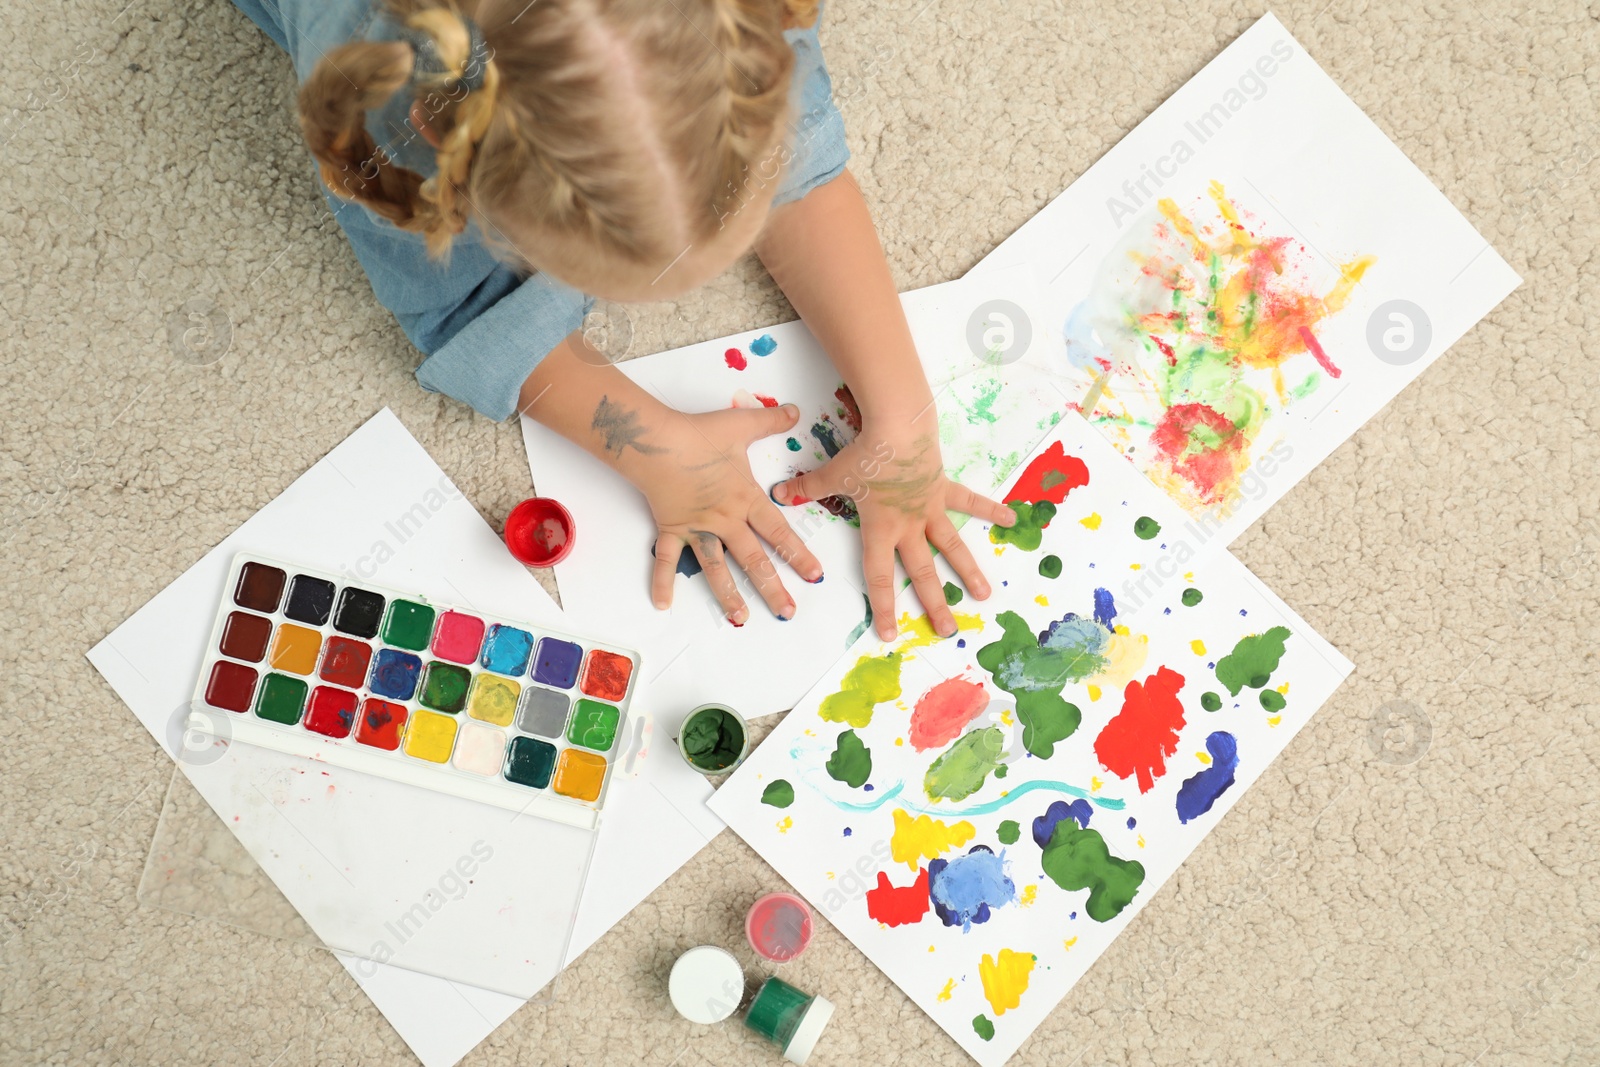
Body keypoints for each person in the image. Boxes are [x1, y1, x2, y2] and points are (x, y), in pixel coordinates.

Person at [231, 0, 1014, 639]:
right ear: (451, 149)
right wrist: (663, 452)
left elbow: (799, 167)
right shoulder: (387, 105)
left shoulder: (737, 24)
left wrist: (903, 422)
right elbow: (467, 310)